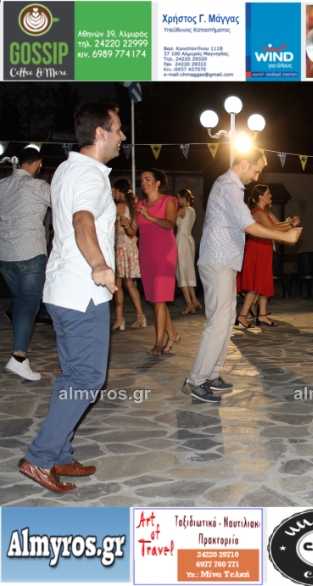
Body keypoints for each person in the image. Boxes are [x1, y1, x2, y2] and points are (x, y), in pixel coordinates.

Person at [18, 102, 125, 493]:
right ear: (100, 133)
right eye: (118, 129)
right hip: (83, 294)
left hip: (62, 290)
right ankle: (40, 457)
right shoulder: (90, 175)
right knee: (88, 378)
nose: (122, 136)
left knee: (73, 376)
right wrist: (100, 265)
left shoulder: (65, 168)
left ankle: (60, 453)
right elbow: (82, 221)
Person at [181, 149, 302, 403]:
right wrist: (285, 236)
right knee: (218, 322)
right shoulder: (228, 186)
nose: (256, 177)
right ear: (245, 163)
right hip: (218, 260)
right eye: (256, 171)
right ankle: (195, 380)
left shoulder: (231, 187)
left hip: (224, 261)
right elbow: (250, 226)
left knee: (225, 321)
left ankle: (210, 374)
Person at [0, 147, 51, 381]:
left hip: (6, 254)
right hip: (30, 251)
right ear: (38, 163)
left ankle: (21, 354)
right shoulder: (38, 186)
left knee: (20, 303)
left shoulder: (2, 185)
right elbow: (63, 206)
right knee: (29, 304)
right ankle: (19, 357)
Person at [236, 184, 300, 327]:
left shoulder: (264, 211)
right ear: (261, 196)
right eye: (268, 193)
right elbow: (273, 228)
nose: (270, 196)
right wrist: (292, 225)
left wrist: (291, 222)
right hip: (257, 248)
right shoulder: (258, 212)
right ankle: (242, 315)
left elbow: (278, 224)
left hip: (264, 248)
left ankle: (262, 315)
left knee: (264, 282)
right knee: (255, 283)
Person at [136, 168, 179, 356]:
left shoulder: (169, 201)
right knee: (154, 300)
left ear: (158, 183)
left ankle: (159, 343)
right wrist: (125, 223)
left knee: (159, 299)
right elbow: (132, 230)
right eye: (142, 180)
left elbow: (170, 224)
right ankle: (173, 334)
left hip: (164, 253)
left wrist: (150, 216)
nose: (144, 182)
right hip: (146, 254)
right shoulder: (140, 205)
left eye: (148, 179)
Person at [111, 178, 146, 330]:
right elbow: (133, 232)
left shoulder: (119, 206)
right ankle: (140, 316)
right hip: (131, 247)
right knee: (129, 284)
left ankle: (120, 318)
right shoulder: (133, 207)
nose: (114, 193)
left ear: (120, 191)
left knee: (118, 284)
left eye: (115, 191)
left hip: (120, 248)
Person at [175, 188, 202, 315]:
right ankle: (194, 300)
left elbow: (170, 219)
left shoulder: (182, 210)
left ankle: (189, 303)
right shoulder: (192, 210)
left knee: (181, 270)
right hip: (189, 239)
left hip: (182, 239)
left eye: (178, 198)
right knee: (188, 270)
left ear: (182, 198)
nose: (177, 200)